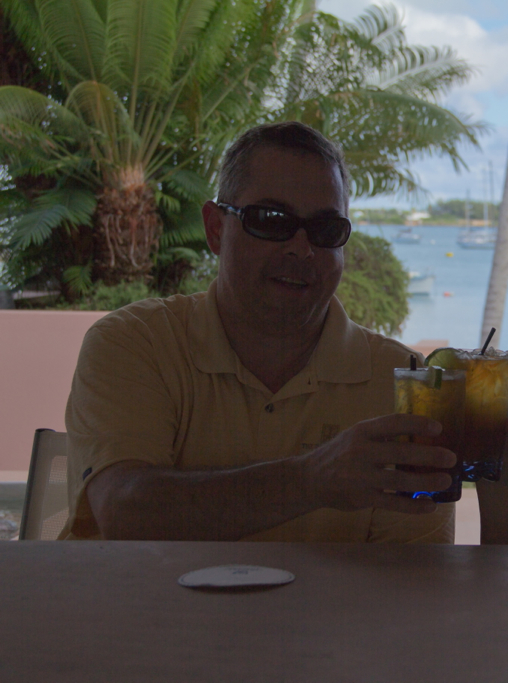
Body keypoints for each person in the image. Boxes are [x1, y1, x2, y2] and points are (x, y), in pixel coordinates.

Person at [60, 122, 463, 542]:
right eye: (271, 220)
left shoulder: (404, 381)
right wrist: (312, 479)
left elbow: (413, 583)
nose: (301, 248)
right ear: (215, 229)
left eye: (326, 230)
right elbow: (125, 512)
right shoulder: (135, 342)